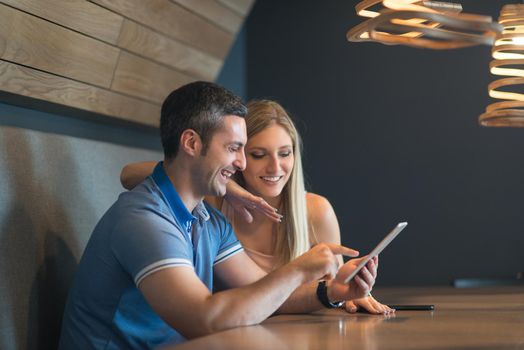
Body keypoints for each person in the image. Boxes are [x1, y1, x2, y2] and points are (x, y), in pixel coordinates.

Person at [59, 82, 378, 349]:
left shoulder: (206, 220)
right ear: (191, 143)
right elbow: (203, 319)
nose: (241, 163)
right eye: (234, 149)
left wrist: (332, 292)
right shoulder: (145, 220)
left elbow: (267, 295)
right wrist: (297, 269)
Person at [121, 99, 392, 315]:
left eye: (285, 153)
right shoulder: (213, 204)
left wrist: (346, 291)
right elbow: (129, 175)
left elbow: (278, 293)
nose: (275, 168)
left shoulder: (316, 211)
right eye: (258, 155)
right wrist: (228, 188)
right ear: (237, 155)